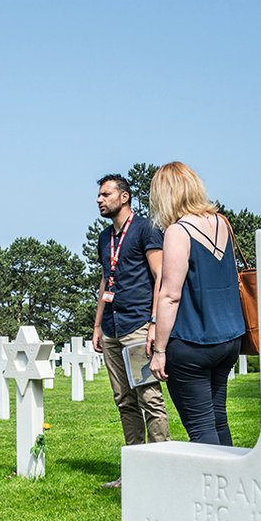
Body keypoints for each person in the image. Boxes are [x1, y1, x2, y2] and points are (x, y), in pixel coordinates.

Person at [147, 162, 245, 446]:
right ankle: (229, 486)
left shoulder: (178, 231)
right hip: (229, 339)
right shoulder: (222, 223)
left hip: (193, 342)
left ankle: (211, 489)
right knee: (218, 419)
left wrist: (160, 350)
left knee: (202, 428)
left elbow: (170, 295)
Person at [92, 173, 169, 487]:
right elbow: (105, 280)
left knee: (149, 397)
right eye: (99, 195)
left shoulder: (145, 229)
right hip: (111, 328)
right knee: (124, 400)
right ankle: (134, 472)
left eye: (106, 194)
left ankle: (163, 468)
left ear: (124, 197)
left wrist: (154, 323)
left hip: (138, 327)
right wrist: (97, 324)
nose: (100, 200)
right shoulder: (104, 238)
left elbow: (160, 275)